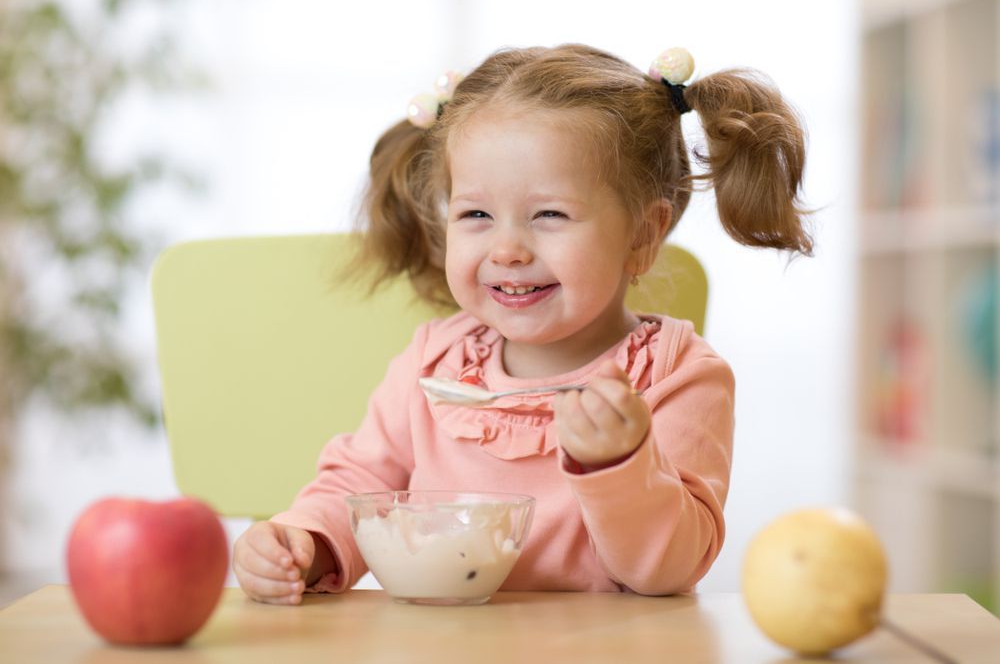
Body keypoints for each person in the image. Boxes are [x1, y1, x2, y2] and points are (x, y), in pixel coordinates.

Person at [232, 43, 813, 605]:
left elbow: (670, 569)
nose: (507, 248)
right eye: (476, 214)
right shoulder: (435, 363)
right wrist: (305, 540)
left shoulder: (677, 377)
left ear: (642, 235)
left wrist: (621, 463)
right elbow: (357, 486)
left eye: (549, 214)